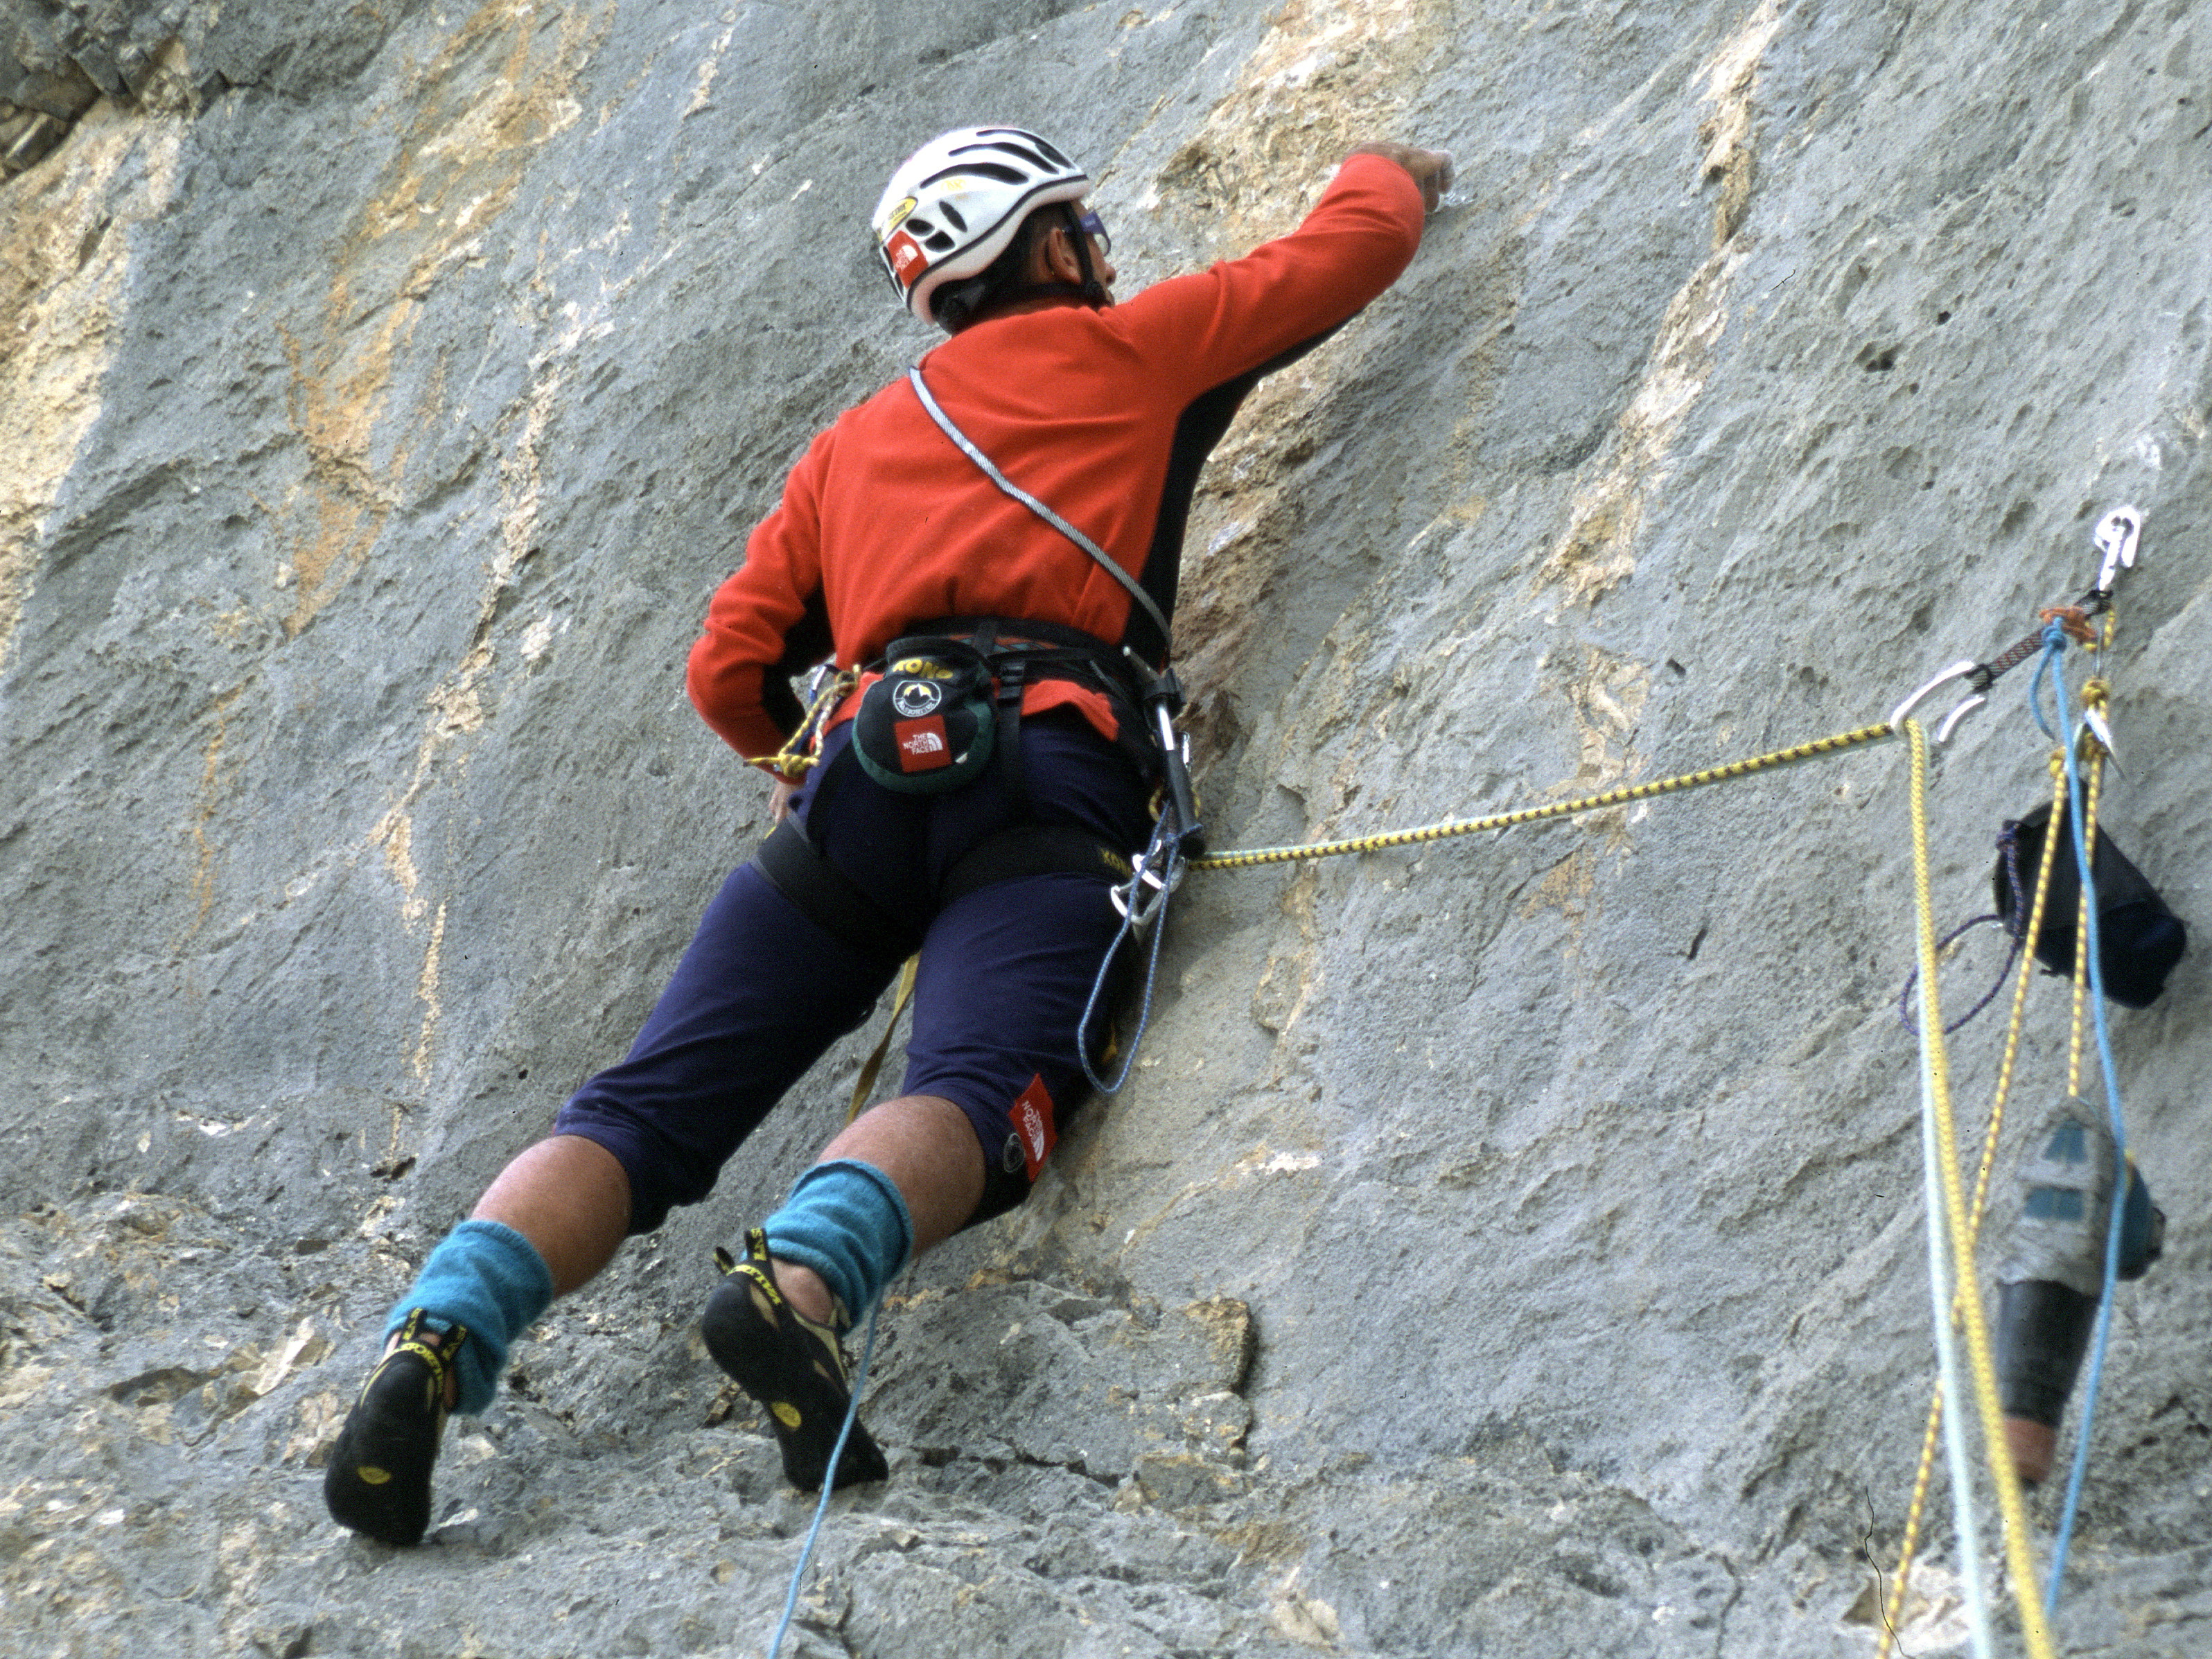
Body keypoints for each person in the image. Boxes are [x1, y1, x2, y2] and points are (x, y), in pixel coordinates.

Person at [324, 124, 1452, 1547]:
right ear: (1052, 249)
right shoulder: (1134, 352)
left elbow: (728, 666)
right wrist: (1390, 164)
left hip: (859, 772)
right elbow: (1350, 251)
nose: (1104, 253)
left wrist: (795, 770)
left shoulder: (852, 445)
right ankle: (800, 1281)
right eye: (1086, 230)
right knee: (983, 1084)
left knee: (642, 1109)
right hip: (1044, 764)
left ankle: (436, 1334)